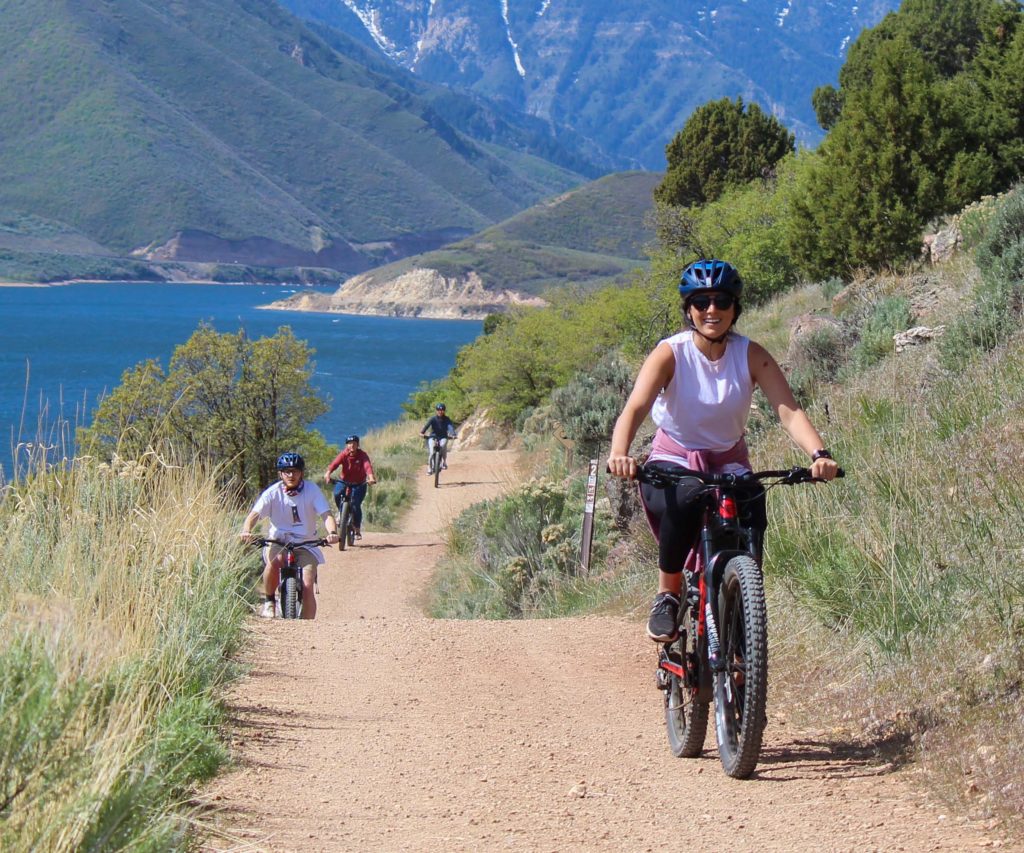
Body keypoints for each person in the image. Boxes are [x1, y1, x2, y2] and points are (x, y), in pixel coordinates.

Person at [607, 259, 839, 642]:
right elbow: (635, 408)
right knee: (686, 497)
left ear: (735, 308)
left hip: (729, 461)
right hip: (674, 458)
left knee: (753, 505)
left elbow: (789, 411)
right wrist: (620, 452)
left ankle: (743, 609)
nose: (711, 310)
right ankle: (668, 594)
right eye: (701, 302)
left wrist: (819, 454)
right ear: (689, 310)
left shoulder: (750, 355)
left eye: (721, 301)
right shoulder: (671, 353)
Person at [240, 452, 339, 619]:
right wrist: (246, 530)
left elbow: (326, 515)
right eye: (287, 471)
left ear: (301, 473)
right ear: (280, 474)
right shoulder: (273, 492)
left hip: (306, 544)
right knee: (275, 562)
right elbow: (254, 514)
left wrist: (333, 533)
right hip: (278, 541)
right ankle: (270, 601)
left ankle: (307, 626)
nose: (291, 475)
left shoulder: (312, 490)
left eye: (295, 471)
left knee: (307, 585)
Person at [323, 434, 377, 539]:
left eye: (354, 443)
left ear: (358, 445)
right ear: (346, 445)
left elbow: (367, 466)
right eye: (349, 444)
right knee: (337, 493)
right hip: (344, 481)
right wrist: (328, 473)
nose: (352, 446)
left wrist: (371, 478)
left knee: (355, 504)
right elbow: (335, 464)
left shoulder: (362, 455)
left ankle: (357, 529)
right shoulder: (344, 454)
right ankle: (341, 512)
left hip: (359, 483)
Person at [419, 403, 457, 474]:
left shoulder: (447, 419)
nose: (440, 411)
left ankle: (444, 462)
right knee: (431, 452)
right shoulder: (433, 419)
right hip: (433, 436)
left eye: (442, 410)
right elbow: (427, 426)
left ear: (444, 411)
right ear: (436, 411)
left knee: (443, 446)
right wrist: (422, 432)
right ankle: (429, 468)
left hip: (443, 436)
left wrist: (453, 434)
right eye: (439, 410)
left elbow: (450, 427)